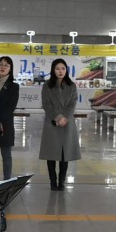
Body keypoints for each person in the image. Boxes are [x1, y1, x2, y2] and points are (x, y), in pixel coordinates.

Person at [38, 59, 81, 191]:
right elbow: (46, 104)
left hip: (67, 124)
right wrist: (57, 118)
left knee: (64, 154)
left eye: (63, 68)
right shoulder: (47, 85)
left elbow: (72, 104)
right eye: (57, 68)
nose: (60, 71)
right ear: (53, 70)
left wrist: (63, 118)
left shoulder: (72, 86)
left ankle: (62, 181)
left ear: (66, 70)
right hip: (52, 123)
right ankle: (52, 182)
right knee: (51, 154)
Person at [0, 55, 20, 180]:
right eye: (1, 64)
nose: (3, 67)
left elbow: (10, 107)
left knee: (6, 154)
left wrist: (0, 121)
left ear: (10, 69)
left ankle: (7, 181)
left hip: (5, 123)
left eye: (6, 65)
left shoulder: (14, 87)